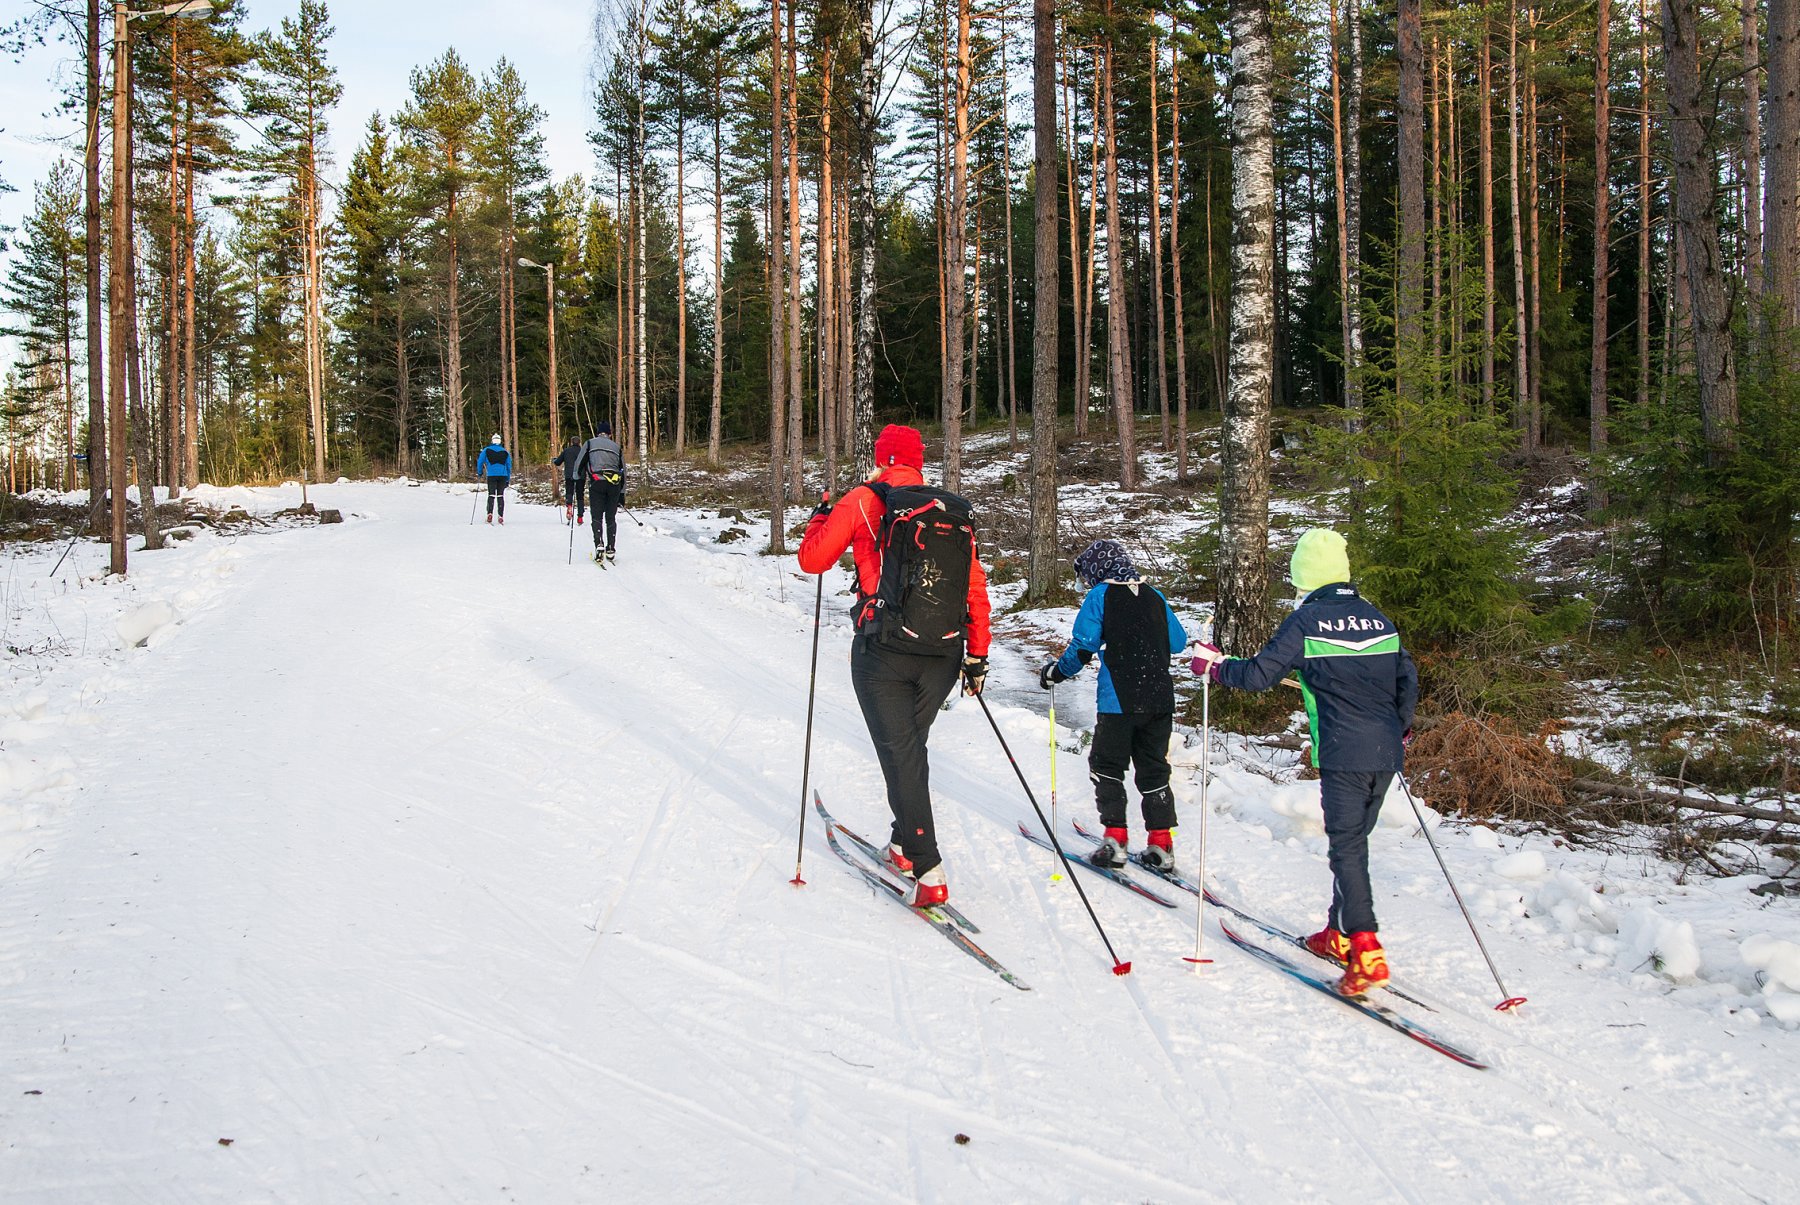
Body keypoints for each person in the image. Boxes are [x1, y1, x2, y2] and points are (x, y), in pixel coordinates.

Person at [1190, 528, 1418, 997]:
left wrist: (1214, 667)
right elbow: (1407, 679)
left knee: (1346, 848)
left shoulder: (1307, 621)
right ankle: (1338, 934)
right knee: (1354, 843)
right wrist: (1400, 727)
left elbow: (1259, 675)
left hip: (1343, 751)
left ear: (1303, 577)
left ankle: (1367, 950)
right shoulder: (1378, 620)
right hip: (1386, 752)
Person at [797, 424, 992, 908]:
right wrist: (977, 655)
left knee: (901, 753)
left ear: (881, 458)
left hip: (883, 651)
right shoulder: (950, 510)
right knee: (908, 749)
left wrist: (820, 518)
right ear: (919, 462)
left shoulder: (864, 499)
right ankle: (904, 846)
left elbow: (813, 560)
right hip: (943, 655)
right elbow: (974, 588)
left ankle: (929, 870)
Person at [1040, 539, 1188, 871]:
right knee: (1154, 769)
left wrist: (1055, 673)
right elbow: (1178, 642)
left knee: (1106, 765)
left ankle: (1115, 840)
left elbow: (1083, 646)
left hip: (1119, 698)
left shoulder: (1100, 596)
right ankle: (1161, 844)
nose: (1085, 582)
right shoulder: (1154, 595)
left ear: (1096, 570)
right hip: (1160, 698)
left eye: (1085, 575)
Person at [578, 422, 626, 562]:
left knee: (597, 516)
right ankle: (611, 548)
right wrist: (622, 493)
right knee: (611, 517)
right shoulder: (616, 447)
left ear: (598, 433)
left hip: (597, 482)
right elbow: (623, 470)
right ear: (609, 434)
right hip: (614, 485)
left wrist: (576, 479)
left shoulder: (589, 443)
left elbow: (579, 463)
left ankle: (599, 544)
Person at [476, 434, 512, 524]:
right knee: (500, 495)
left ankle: (489, 513)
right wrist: (507, 479)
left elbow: (480, 461)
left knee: (491, 495)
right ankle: (500, 516)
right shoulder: (505, 451)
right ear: (500, 441)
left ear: (492, 441)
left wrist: (480, 472)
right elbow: (508, 466)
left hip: (492, 475)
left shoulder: (486, 450)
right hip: (503, 476)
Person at [553, 436, 586, 525]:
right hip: (581, 475)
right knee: (580, 495)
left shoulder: (566, 451)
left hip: (569, 475)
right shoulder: (583, 451)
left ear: (571, 442)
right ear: (579, 442)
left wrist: (554, 460)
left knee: (569, 491)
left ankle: (569, 506)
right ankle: (580, 517)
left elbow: (558, 462)